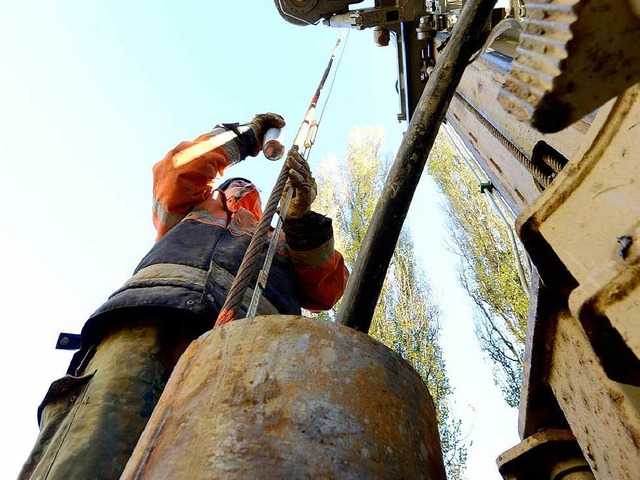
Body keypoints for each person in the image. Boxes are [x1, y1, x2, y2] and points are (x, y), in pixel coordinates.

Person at [20, 113, 349, 479]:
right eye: (233, 186)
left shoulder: (280, 240)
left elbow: (330, 288)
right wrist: (246, 137)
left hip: (250, 349)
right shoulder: (190, 209)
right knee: (92, 448)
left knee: (227, 463)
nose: (240, 191)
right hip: (148, 325)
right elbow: (179, 169)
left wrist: (301, 218)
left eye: (246, 190)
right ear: (219, 188)